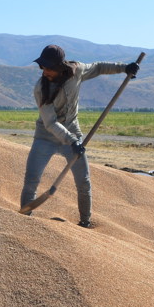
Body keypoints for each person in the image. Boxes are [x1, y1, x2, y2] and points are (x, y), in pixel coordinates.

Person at [20, 44, 140, 228]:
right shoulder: (40, 88)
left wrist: (124, 68)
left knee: (83, 181)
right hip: (46, 136)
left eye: (49, 67)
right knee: (32, 179)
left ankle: (85, 222)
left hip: (72, 133)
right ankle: (22, 220)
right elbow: (50, 122)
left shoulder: (77, 71)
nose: (45, 71)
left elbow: (98, 67)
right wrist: (72, 141)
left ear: (60, 66)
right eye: (43, 67)